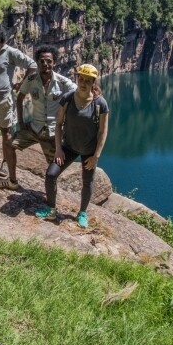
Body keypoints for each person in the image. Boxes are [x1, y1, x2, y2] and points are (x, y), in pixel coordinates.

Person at [35, 64, 109, 229]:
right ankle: (51, 209)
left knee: (87, 181)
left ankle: (82, 212)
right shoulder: (67, 98)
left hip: (89, 150)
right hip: (68, 147)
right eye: (80, 79)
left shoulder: (100, 104)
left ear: (93, 82)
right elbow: (59, 123)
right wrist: (59, 148)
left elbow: (103, 132)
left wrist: (96, 155)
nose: (82, 83)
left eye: (87, 81)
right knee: (51, 174)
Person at [0, 45, 77, 189]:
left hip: (52, 133)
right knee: (8, 144)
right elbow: (19, 98)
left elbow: (79, 94)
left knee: (53, 169)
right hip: (33, 128)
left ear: (54, 62)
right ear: (37, 63)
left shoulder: (63, 82)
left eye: (49, 61)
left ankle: (51, 198)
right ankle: (12, 181)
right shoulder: (31, 79)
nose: (45, 64)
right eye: (42, 61)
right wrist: (20, 121)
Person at [0, 22, 37, 189]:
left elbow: (32, 65)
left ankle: (4, 161)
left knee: (6, 132)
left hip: (5, 100)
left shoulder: (10, 53)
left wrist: (22, 84)